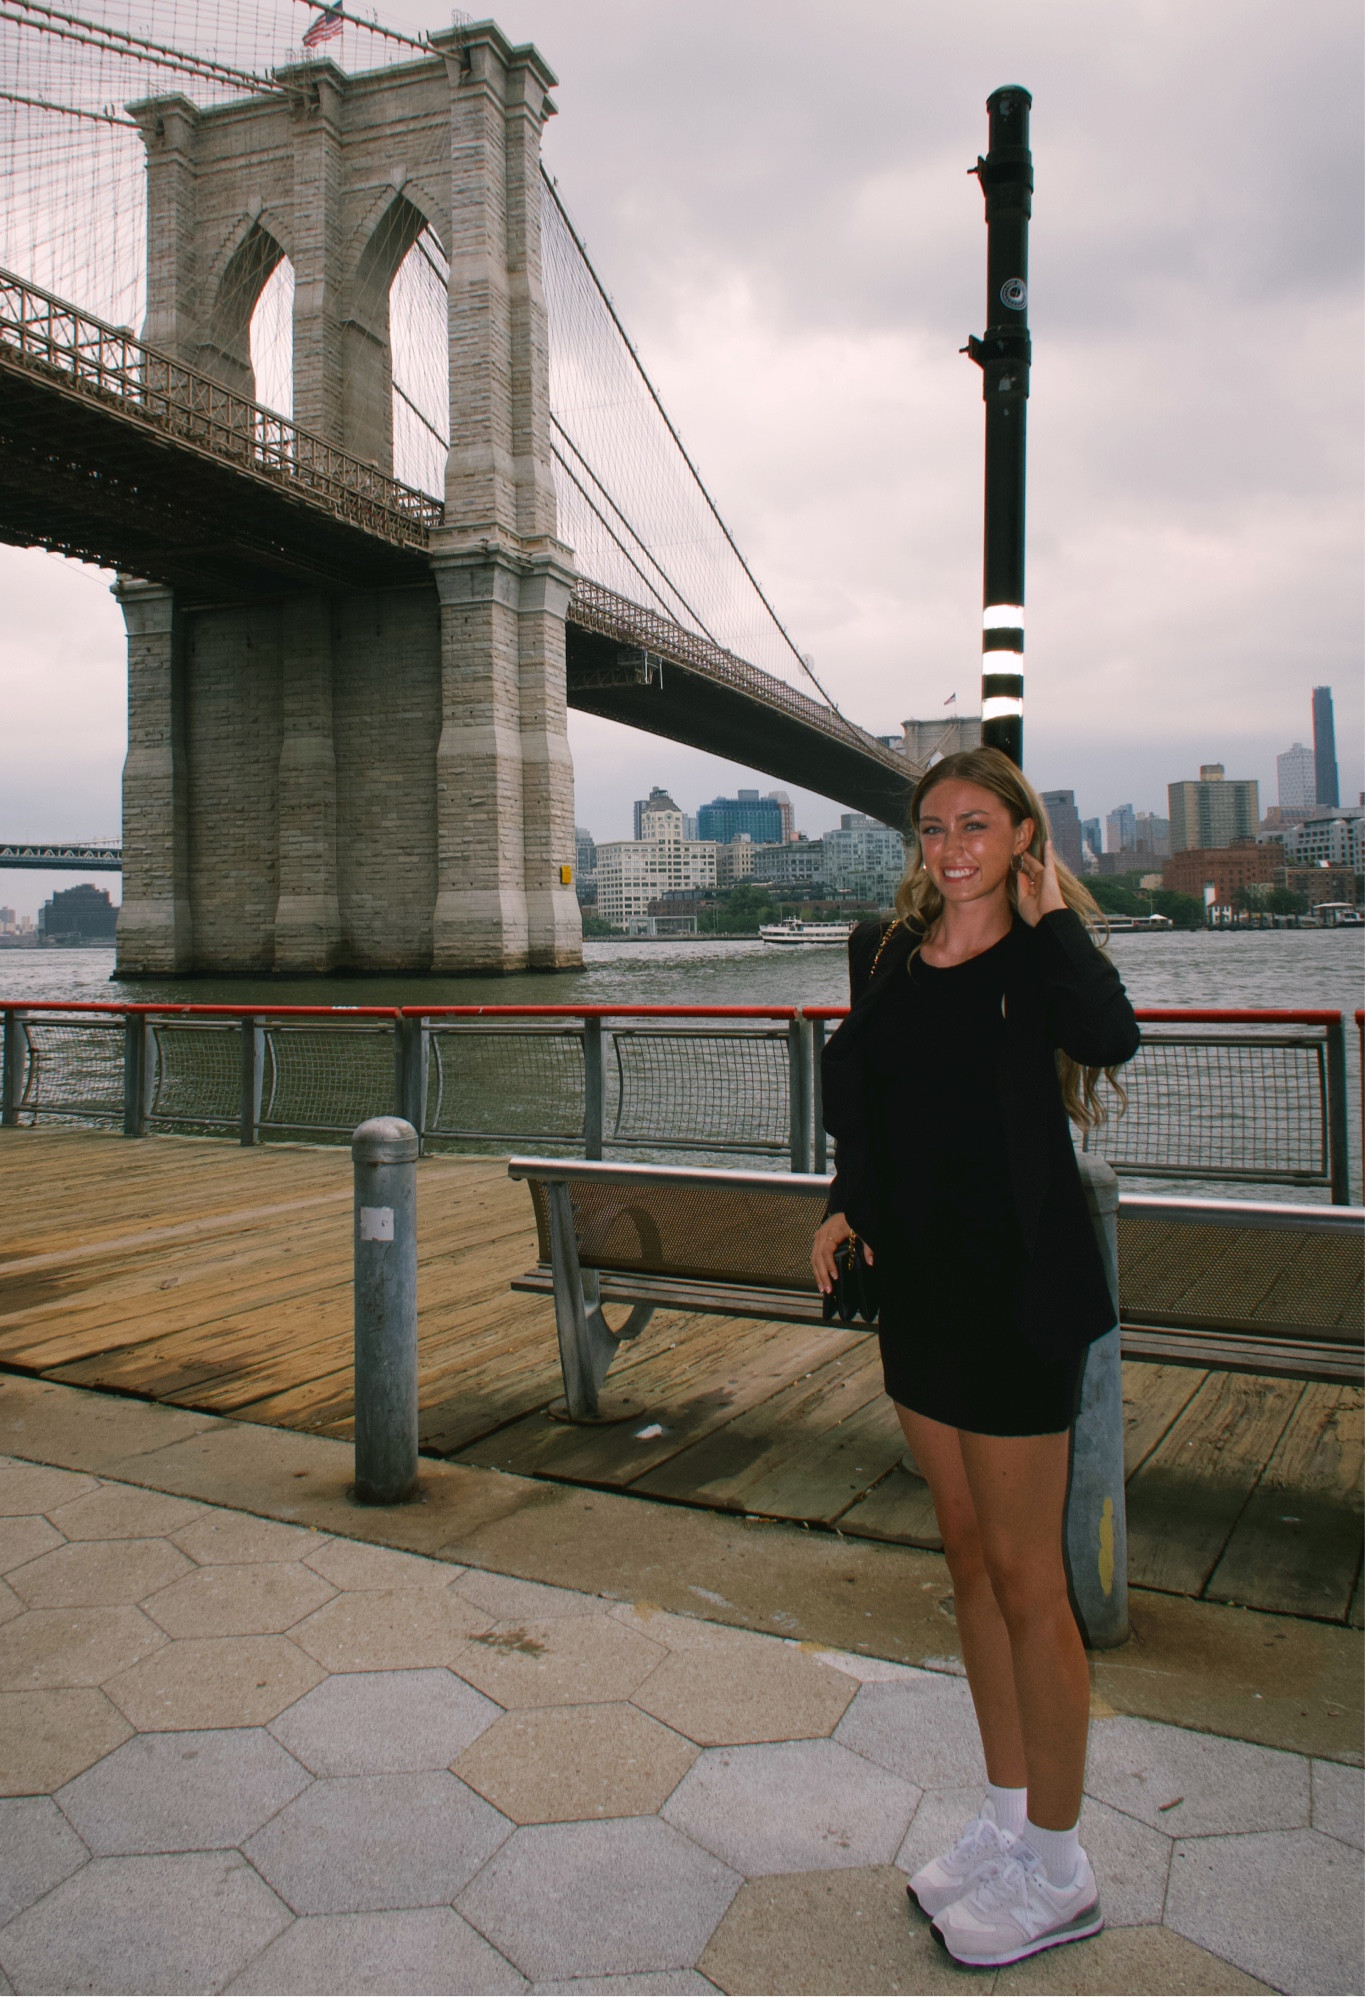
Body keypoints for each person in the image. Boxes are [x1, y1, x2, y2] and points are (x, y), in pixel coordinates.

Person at [812, 746, 1139, 1971]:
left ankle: (1060, 1867)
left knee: (1026, 1575)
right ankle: (1007, 1819)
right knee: (963, 1556)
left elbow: (1114, 1035)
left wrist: (1053, 921)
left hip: (1014, 1293)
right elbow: (865, 1098)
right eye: (932, 826)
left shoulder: (1042, 967)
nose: (949, 846)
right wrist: (847, 1201)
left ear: (1019, 839)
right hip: (921, 1289)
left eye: (976, 826)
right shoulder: (888, 954)